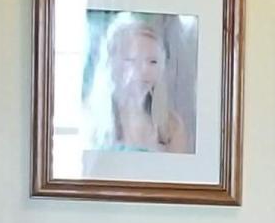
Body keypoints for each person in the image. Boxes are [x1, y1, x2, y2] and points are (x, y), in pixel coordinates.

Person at [83, 12, 194, 154]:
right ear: (111, 64)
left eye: (152, 61)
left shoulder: (171, 126)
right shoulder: (90, 120)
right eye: (131, 60)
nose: (144, 70)